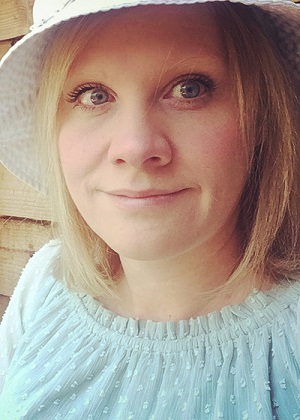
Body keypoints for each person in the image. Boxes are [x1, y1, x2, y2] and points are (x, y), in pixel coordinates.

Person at [0, 0, 299, 418]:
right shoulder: (45, 284)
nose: (136, 148)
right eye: (94, 95)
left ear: (263, 116)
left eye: (188, 89)